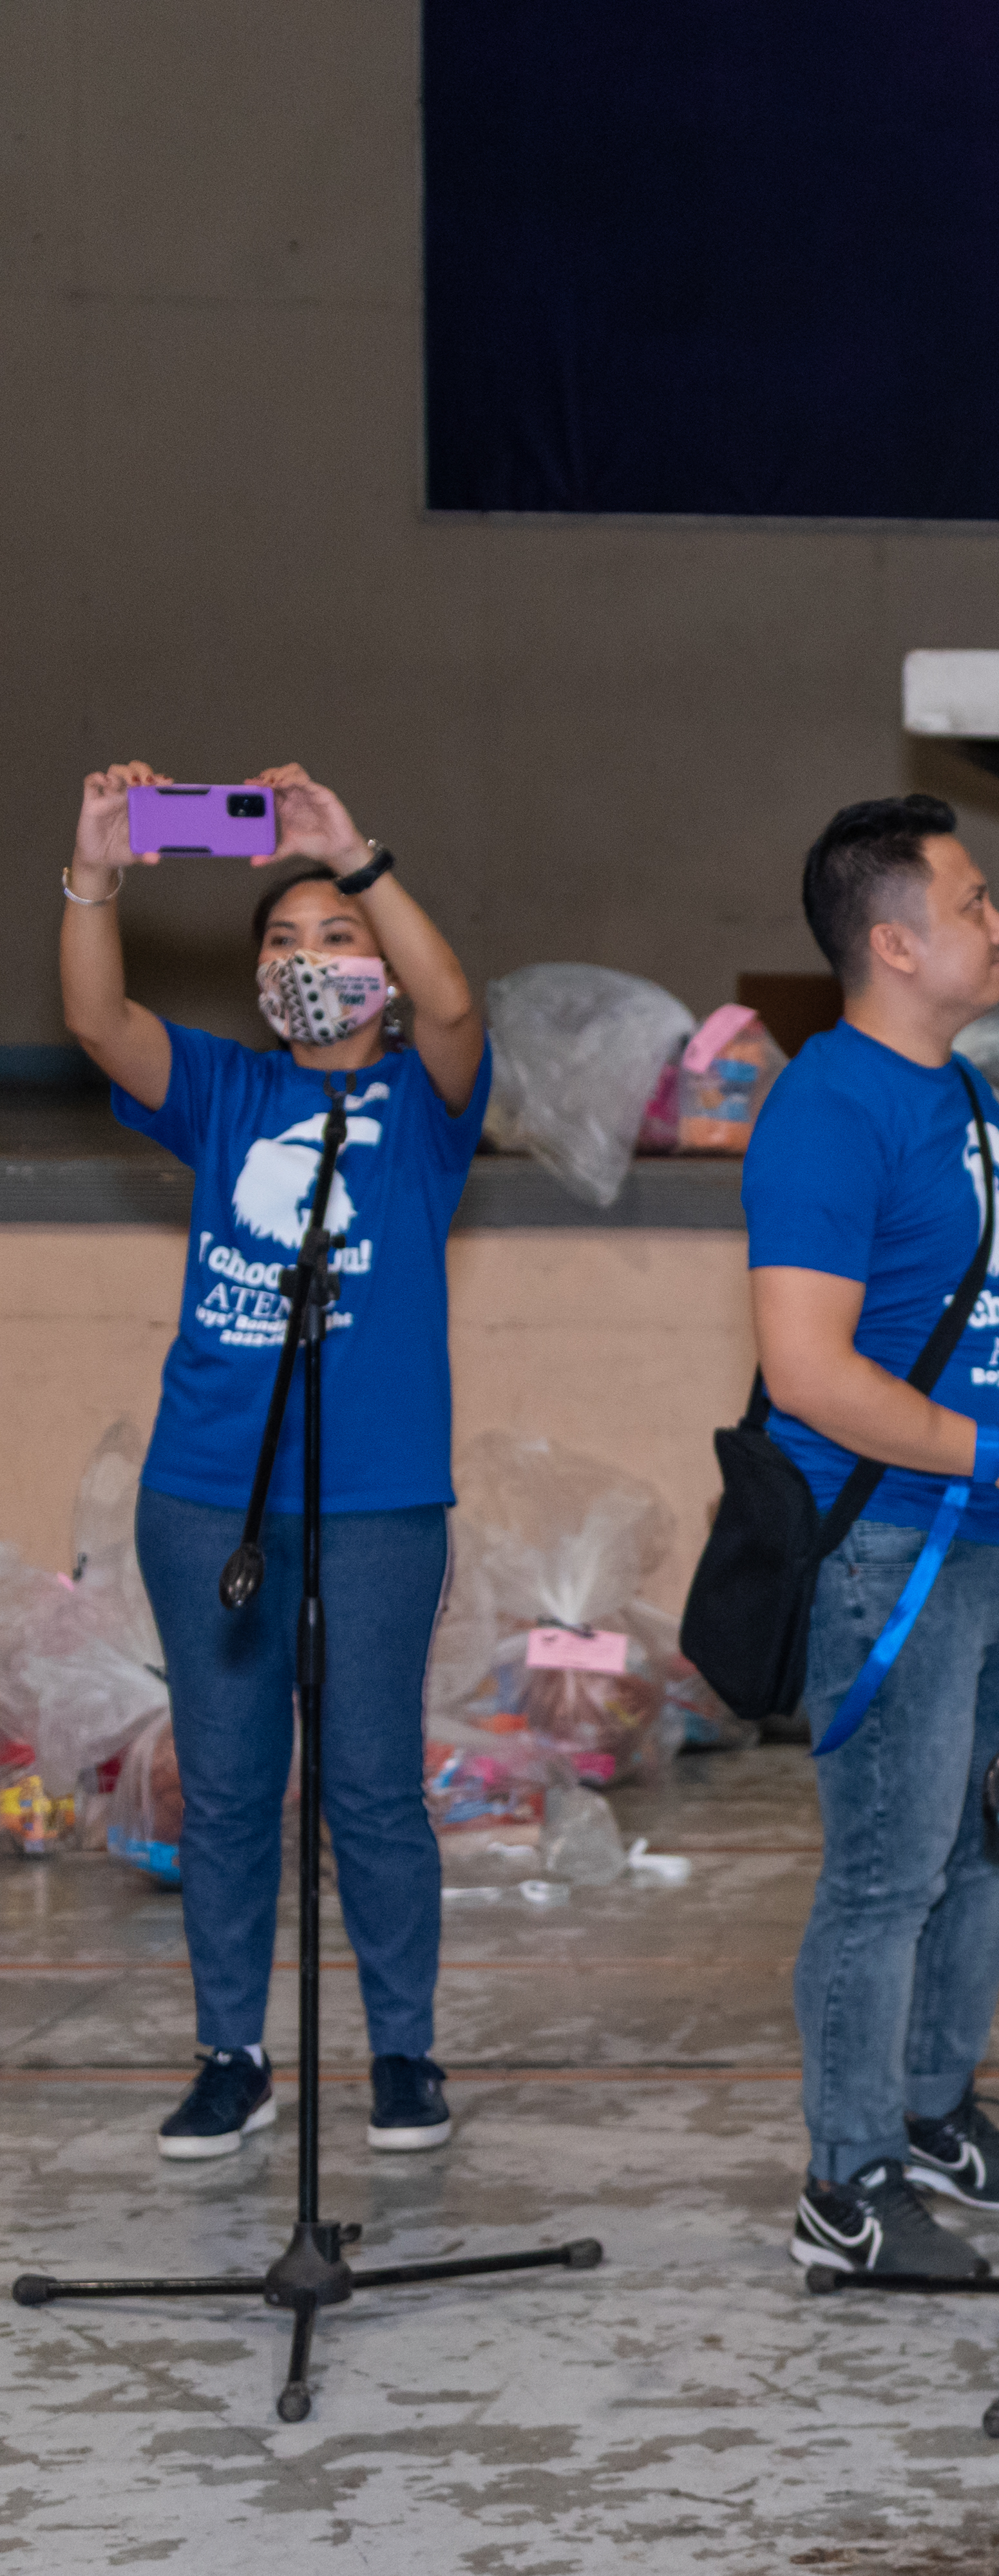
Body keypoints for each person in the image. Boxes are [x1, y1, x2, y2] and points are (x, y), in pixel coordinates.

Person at [59, 761, 488, 2163]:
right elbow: (95, 1014)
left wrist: (355, 857)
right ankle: (231, 2054)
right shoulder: (226, 1090)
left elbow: (457, 1005)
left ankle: (405, 2054)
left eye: (339, 939)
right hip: (208, 1498)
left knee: (371, 1780)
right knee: (233, 1784)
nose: (313, 960)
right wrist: (100, 872)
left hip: (376, 1499)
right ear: (258, 984)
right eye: (286, 943)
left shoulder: (426, 1110)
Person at [745, 792, 999, 2278]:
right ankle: (843, 2188)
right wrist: (998, 1451)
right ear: (895, 941)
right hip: (884, 1548)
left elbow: (980, 1316)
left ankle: (930, 2108)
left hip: (994, 1530)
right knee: (886, 1871)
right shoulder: (828, 1107)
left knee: (993, 1839)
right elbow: (810, 1369)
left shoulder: (966, 1098)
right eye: (974, 903)